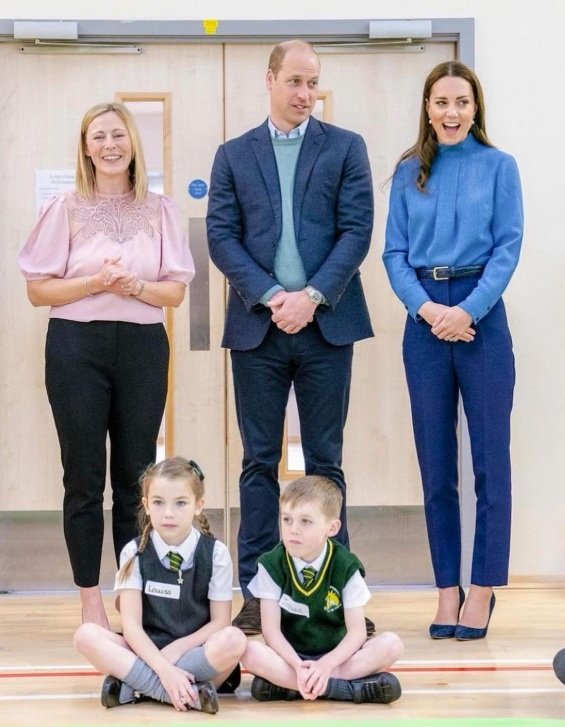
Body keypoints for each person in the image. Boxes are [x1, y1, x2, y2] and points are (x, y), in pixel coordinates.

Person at [206, 40, 374, 635]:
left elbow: (357, 231)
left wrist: (312, 296)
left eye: (313, 84)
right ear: (270, 78)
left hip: (328, 324)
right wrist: (275, 297)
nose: (305, 94)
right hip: (259, 328)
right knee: (259, 461)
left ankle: (340, 598)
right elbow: (221, 238)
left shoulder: (346, 148)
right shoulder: (232, 154)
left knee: (326, 462)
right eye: (296, 81)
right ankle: (258, 596)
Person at [18, 102, 195, 629]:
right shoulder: (64, 207)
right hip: (76, 348)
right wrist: (95, 283)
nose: (110, 144)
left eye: (119, 134)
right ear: (86, 147)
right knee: (83, 477)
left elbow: (175, 293)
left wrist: (136, 286)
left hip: (142, 347)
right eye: (100, 137)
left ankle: (130, 596)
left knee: (136, 477)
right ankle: (90, 601)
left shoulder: (160, 210)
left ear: (132, 144)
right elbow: (37, 288)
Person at [383, 61, 523, 640]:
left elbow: (508, 247)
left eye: (462, 102)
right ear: (427, 107)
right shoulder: (408, 170)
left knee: (491, 463)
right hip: (425, 320)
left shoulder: (499, 167)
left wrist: (467, 311)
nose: (451, 112)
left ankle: (483, 588)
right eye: (441, 102)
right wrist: (430, 311)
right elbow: (393, 254)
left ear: (476, 107)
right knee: (437, 467)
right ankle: (446, 588)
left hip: (481, 318)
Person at [74, 456, 247, 714]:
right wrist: (164, 669)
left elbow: (220, 623)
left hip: (194, 652)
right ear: (145, 505)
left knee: (234, 639)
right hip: (146, 649)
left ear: (198, 505)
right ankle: (186, 694)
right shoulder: (133, 552)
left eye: (180, 503)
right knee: (85, 635)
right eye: (158, 502)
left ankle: (138, 686)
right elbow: (131, 626)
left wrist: (177, 650)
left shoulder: (216, 554)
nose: (168, 513)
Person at [241, 475, 402, 704]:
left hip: (338, 659)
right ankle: (343, 689)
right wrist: (298, 666)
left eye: (305, 521)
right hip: (290, 658)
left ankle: (292, 687)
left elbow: (357, 633)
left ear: (332, 527)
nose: (293, 530)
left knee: (391, 644)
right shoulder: (271, 564)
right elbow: (270, 631)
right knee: (248, 651)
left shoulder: (346, 566)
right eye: (286, 520)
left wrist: (326, 665)